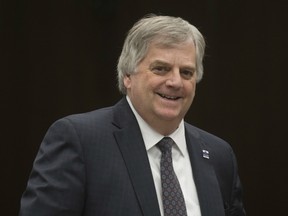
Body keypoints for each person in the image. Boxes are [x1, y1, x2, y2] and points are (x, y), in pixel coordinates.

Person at [19, 14, 246, 216]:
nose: (176, 82)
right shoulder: (81, 140)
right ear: (128, 75)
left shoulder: (219, 155)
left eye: (186, 72)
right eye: (161, 68)